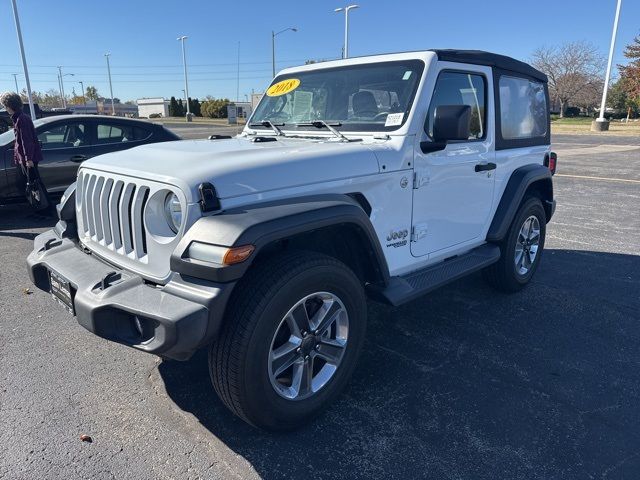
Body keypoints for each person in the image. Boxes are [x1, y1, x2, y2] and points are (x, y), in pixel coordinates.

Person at [0, 91, 51, 214]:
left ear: (9, 105)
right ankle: (40, 209)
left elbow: (26, 140)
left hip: (28, 159)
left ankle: (44, 210)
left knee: (34, 185)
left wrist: (28, 160)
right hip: (26, 158)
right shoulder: (20, 118)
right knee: (30, 184)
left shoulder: (21, 119)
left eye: (4, 105)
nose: (4, 108)